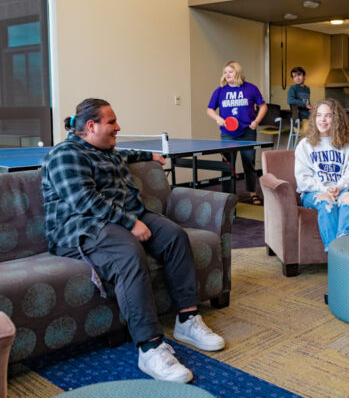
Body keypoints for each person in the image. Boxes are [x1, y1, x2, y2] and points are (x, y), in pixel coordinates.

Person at [41, 98, 225, 383]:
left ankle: (187, 319)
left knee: (174, 236)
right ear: (91, 126)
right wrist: (131, 223)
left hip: (122, 216)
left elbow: (124, 154)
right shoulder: (65, 155)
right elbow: (84, 200)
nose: (118, 127)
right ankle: (149, 347)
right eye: (111, 122)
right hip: (81, 226)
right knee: (128, 252)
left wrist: (148, 156)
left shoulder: (107, 149)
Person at [294, 98, 349, 251]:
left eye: (328, 115)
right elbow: (303, 180)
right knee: (327, 203)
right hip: (313, 193)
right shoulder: (304, 145)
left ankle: (345, 249)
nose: (322, 120)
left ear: (336, 119)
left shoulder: (347, 145)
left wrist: (339, 187)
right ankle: (333, 252)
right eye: (318, 115)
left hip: (340, 189)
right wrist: (325, 190)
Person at [207, 60, 267, 205]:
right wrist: (218, 118)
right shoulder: (220, 90)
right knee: (228, 165)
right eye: (225, 72)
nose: (227, 74)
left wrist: (256, 121)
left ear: (237, 72)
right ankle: (227, 196)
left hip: (247, 132)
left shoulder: (251, 88)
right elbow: (209, 109)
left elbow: (263, 106)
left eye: (230, 71)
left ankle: (252, 193)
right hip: (227, 133)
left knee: (249, 163)